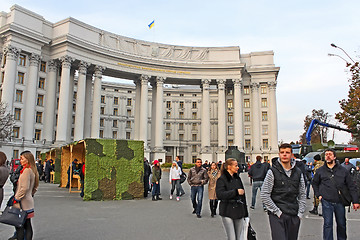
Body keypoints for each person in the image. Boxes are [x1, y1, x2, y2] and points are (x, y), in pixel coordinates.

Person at [261, 143, 306, 240]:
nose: (284, 155)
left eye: (287, 152)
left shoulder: (298, 172)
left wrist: (300, 214)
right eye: (282, 152)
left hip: (294, 214)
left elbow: (302, 194)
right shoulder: (272, 172)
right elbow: (264, 194)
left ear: (291, 154)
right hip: (278, 214)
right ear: (279, 154)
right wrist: (277, 212)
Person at [312, 149, 359, 240]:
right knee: (328, 224)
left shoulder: (343, 170)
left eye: (330, 154)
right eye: (326, 155)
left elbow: (351, 186)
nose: (328, 156)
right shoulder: (320, 171)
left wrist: (355, 201)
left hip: (339, 201)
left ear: (334, 157)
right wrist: (319, 195)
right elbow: (315, 183)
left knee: (341, 224)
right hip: (326, 200)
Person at [216, 158, 249, 240]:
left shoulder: (237, 179)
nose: (238, 167)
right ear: (229, 167)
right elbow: (220, 195)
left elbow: (243, 196)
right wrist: (235, 192)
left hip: (239, 209)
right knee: (232, 238)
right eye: (236, 166)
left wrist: (246, 213)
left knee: (239, 237)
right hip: (227, 209)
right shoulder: (222, 179)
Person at [13, 151, 39, 240]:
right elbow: (35, 187)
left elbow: (24, 188)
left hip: (23, 202)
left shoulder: (26, 171)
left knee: (20, 226)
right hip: (28, 201)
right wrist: (30, 195)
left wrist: (16, 198)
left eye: (22, 159)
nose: (20, 160)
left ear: (27, 160)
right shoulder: (32, 170)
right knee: (27, 225)